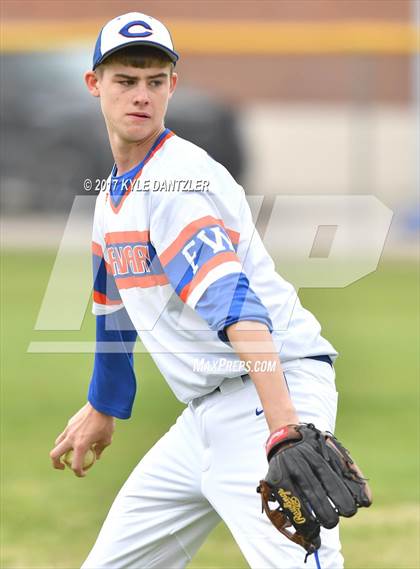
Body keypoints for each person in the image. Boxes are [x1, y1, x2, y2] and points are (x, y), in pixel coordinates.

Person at [49, 12, 345, 569]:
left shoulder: (176, 184)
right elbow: (113, 312)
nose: (142, 95)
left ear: (172, 87)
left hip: (269, 394)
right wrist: (103, 406)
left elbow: (236, 307)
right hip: (204, 417)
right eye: (126, 80)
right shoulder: (113, 197)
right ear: (95, 84)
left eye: (155, 81)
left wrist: (285, 430)